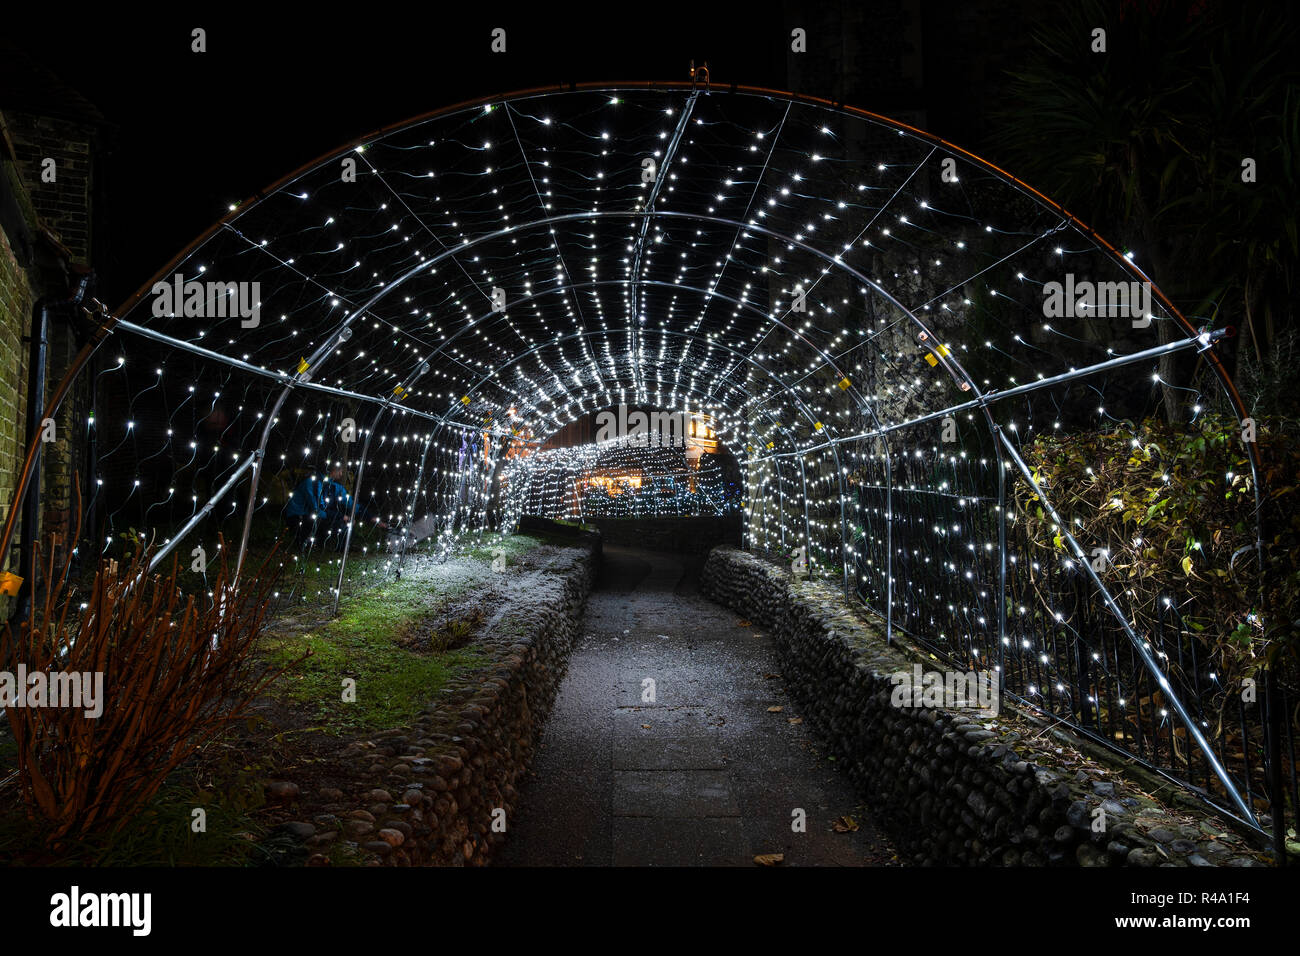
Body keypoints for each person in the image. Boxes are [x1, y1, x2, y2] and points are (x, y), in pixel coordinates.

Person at [284, 463, 385, 552]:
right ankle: (305, 543)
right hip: (299, 517)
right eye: (341, 471)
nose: (341, 474)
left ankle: (341, 547)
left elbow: (351, 504)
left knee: (345, 522)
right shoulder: (312, 483)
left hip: (318, 517)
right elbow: (317, 510)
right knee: (326, 519)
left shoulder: (335, 487)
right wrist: (341, 516)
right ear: (333, 471)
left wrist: (371, 517)